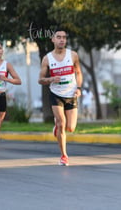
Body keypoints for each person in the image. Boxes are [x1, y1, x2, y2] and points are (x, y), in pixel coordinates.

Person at [38, 29, 83, 166]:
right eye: (59, 37)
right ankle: (64, 156)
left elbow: (79, 73)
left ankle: (57, 128)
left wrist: (79, 88)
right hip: (56, 94)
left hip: (71, 94)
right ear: (53, 40)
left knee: (71, 128)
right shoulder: (47, 59)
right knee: (61, 122)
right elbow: (40, 80)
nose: (62, 40)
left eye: (64, 37)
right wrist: (51, 79)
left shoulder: (73, 55)